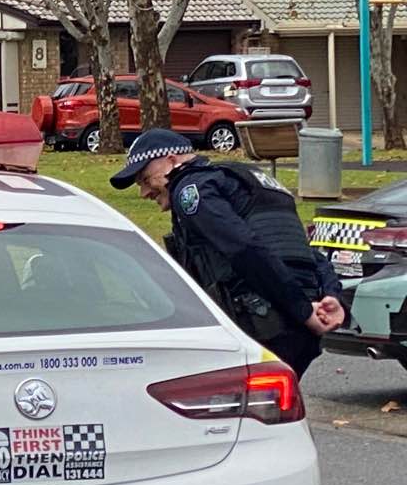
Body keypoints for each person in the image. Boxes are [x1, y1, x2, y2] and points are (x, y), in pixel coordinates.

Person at [113, 128, 347, 377]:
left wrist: (303, 312)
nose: (144, 193)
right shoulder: (249, 180)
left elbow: (245, 250)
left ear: (171, 161)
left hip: (266, 324)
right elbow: (306, 251)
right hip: (299, 319)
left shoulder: (190, 190)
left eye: (145, 180)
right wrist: (332, 296)